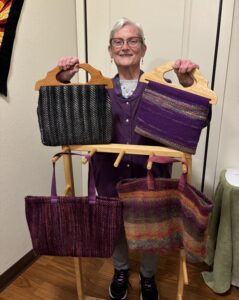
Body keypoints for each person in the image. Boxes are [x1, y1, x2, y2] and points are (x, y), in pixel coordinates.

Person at [57, 17, 199, 300]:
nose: (125, 47)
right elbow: (64, 114)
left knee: (152, 227)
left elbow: (193, 121)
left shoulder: (162, 87)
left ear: (143, 49)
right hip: (109, 174)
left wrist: (187, 84)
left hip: (151, 176)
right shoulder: (97, 90)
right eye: (118, 42)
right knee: (115, 225)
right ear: (110, 51)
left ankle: (148, 276)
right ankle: (120, 270)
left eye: (132, 40)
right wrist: (62, 79)